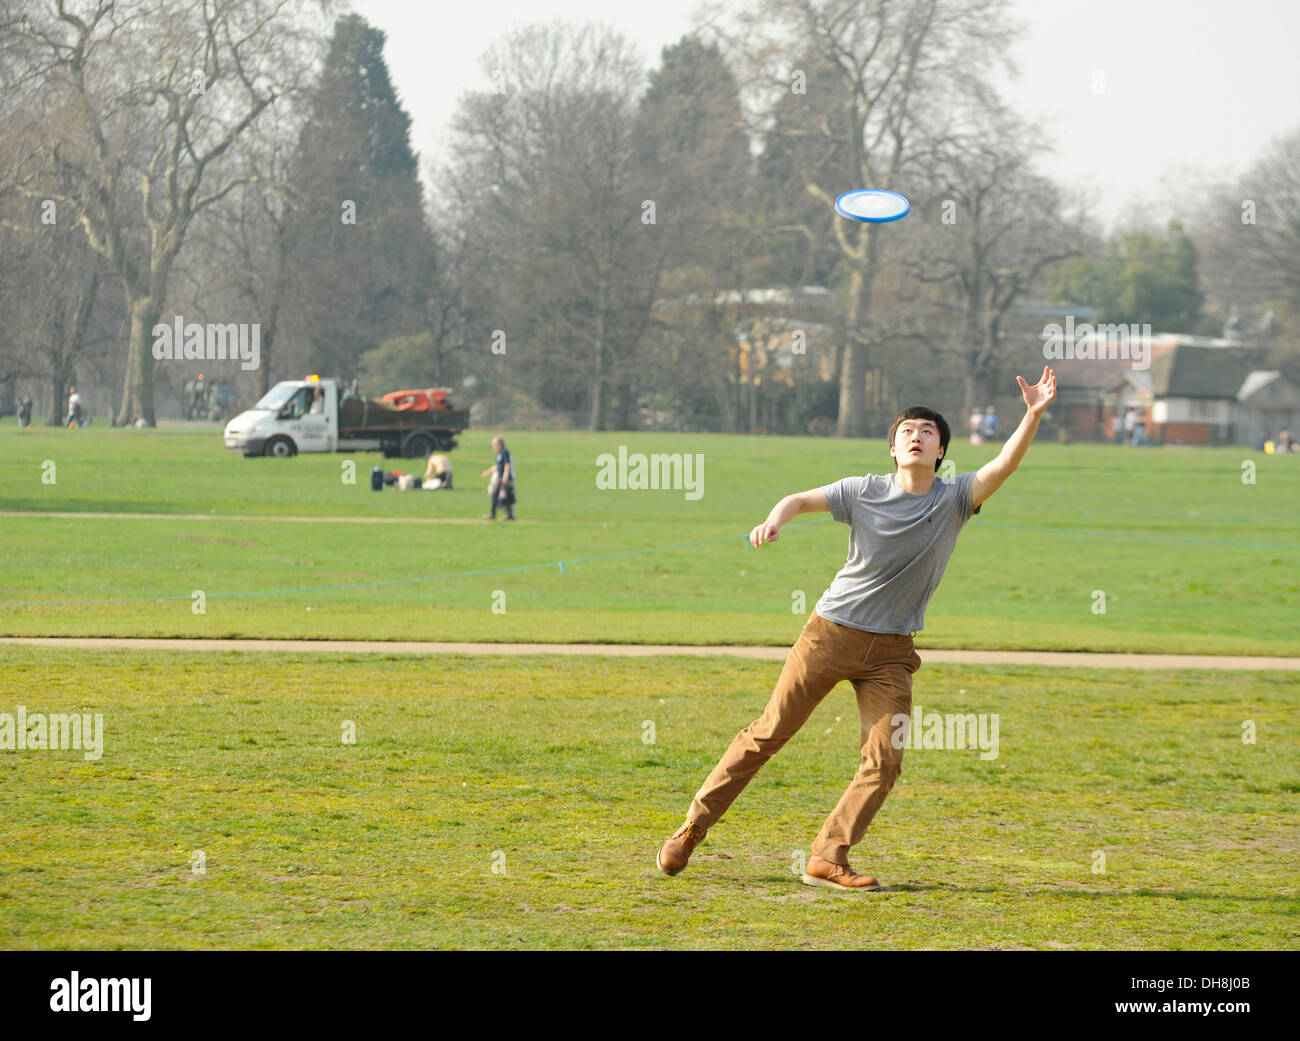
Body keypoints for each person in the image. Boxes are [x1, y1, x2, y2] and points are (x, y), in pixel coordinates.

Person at [657, 366, 1059, 890]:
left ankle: (827, 856)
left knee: (885, 761)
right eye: (906, 432)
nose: (916, 437)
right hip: (830, 634)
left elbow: (1004, 464)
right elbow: (799, 499)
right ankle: (690, 831)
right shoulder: (862, 490)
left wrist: (1032, 414)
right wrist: (775, 519)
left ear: (941, 452)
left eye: (927, 433)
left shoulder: (956, 499)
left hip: (892, 653)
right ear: (893, 449)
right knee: (766, 735)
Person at [480, 437, 516, 520]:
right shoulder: (499, 454)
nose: (493, 446)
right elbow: (498, 466)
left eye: (494, 444)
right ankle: (498, 514)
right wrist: (488, 472)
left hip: (506, 479)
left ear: (499, 444)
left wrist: (505, 476)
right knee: (496, 495)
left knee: (505, 497)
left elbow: (507, 465)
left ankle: (508, 515)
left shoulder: (504, 453)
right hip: (501, 478)